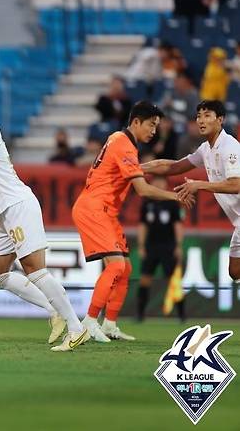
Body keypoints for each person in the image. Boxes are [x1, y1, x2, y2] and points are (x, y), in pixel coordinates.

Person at [0, 74, 89, 352]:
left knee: (35, 269)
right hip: (2, 213)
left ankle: (76, 328)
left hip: (16, 205)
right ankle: (54, 310)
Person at [72, 101, 193, 343]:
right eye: (151, 125)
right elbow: (143, 190)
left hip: (105, 211)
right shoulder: (124, 145)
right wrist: (175, 196)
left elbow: (149, 167)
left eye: (157, 126)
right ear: (136, 122)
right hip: (94, 208)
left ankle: (109, 324)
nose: (154, 131)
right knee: (116, 266)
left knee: (125, 268)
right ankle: (88, 322)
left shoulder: (119, 140)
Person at [143, 99, 240, 281]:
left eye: (207, 115)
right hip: (238, 223)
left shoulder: (230, 147)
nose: (201, 120)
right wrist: (136, 167)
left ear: (220, 120)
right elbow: (173, 167)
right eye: (198, 116)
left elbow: (236, 185)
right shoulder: (205, 149)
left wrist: (199, 184)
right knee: (235, 272)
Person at [137, 176, 185, 322]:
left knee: (173, 281)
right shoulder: (147, 203)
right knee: (145, 279)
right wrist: (141, 246)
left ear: (165, 184)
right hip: (151, 246)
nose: (158, 183)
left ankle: (182, 315)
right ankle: (140, 314)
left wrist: (178, 246)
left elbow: (178, 225)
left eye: (161, 181)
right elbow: (143, 226)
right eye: (155, 181)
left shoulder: (172, 204)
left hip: (168, 246)